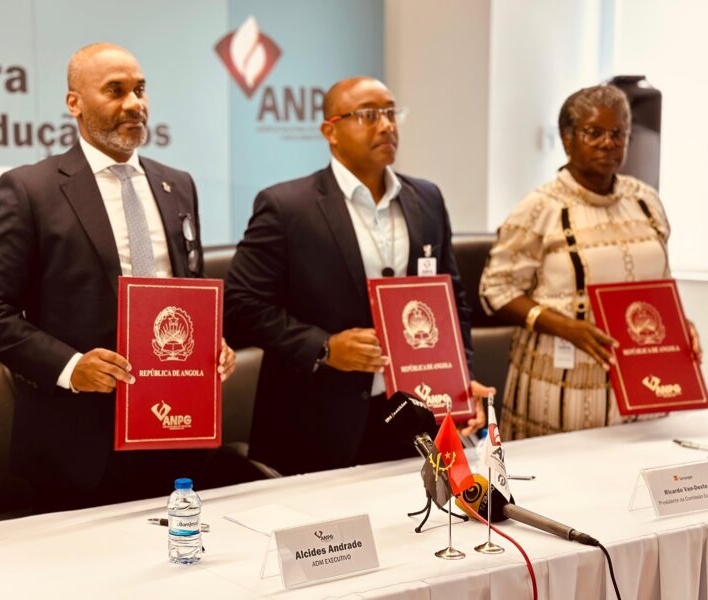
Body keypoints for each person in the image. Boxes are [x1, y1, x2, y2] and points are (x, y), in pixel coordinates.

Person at [0, 43, 236, 513]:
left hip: (177, 429)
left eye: (140, 90)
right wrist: (71, 367)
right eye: (115, 90)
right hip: (80, 445)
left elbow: (186, 292)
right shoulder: (30, 189)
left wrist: (213, 344)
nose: (134, 104)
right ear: (75, 103)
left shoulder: (178, 184)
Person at [224, 77, 492, 477]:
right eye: (368, 115)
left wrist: (459, 379)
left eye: (391, 113)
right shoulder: (287, 206)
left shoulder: (427, 199)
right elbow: (240, 306)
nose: (386, 125)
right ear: (330, 131)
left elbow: (452, 300)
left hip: (413, 413)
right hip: (316, 422)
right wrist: (324, 347)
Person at [479, 84, 702, 440]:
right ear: (567, 139)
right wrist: (564, 326)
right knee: (565, 471)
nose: (608, 143)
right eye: (593, 133)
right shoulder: (540, 207)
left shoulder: (645, 200)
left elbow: (658, 282)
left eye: (618, 133)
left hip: (641, 379)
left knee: (640, 467)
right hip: (560, 382)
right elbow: (495, 289)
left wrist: (678, 325)